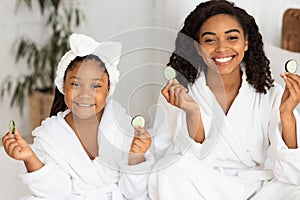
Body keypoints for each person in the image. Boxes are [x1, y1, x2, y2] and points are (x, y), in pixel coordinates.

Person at [148, 0, 300, 199]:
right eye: (210, 40)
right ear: (197, 47)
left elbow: (292, 171)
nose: (222, 48)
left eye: (232, 38)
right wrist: (192, 113)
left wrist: (286, 114)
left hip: (262, 190)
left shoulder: (272, 94)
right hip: (208, 187)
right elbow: (170, 155)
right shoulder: (178, 93)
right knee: (169, 170)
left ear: (246, 42)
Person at [2, 33, 153, 199]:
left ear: (108, 90)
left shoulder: (122, 127)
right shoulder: (51, 135)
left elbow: (134, 193)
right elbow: (55, 193)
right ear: (63, 86)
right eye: (75, 84)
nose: (85, 94)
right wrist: (29, 157)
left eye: (96, 85)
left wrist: (136, 158)